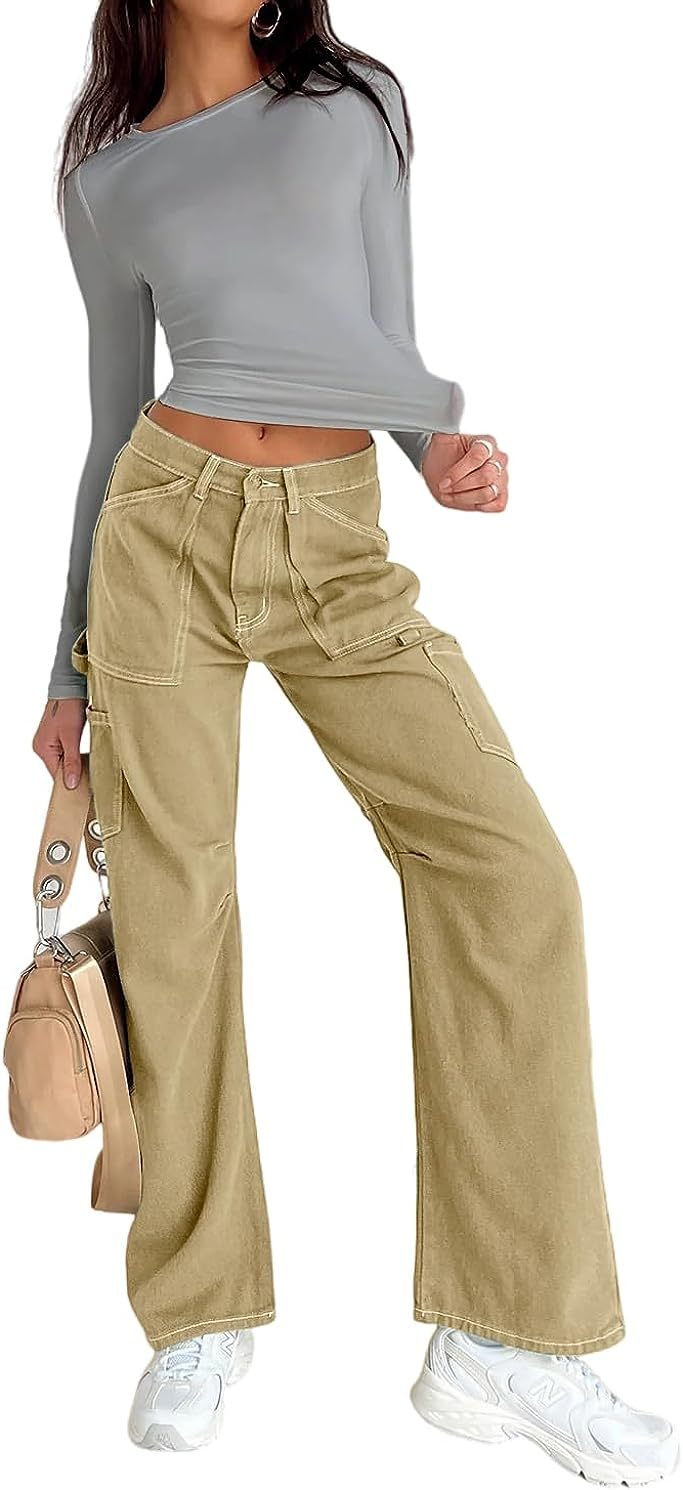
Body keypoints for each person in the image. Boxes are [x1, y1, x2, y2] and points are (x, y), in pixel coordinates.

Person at [31, 0, 677, 1477]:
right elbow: (110, 419)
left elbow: (381, 339)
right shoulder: (106, 180)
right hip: (160, 534)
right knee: (176, 915)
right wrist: (69, 662)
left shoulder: (354, 105)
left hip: (334, 541)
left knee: (513, 874)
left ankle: (503, 1338)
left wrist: (434, 447)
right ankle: (199, 1314)